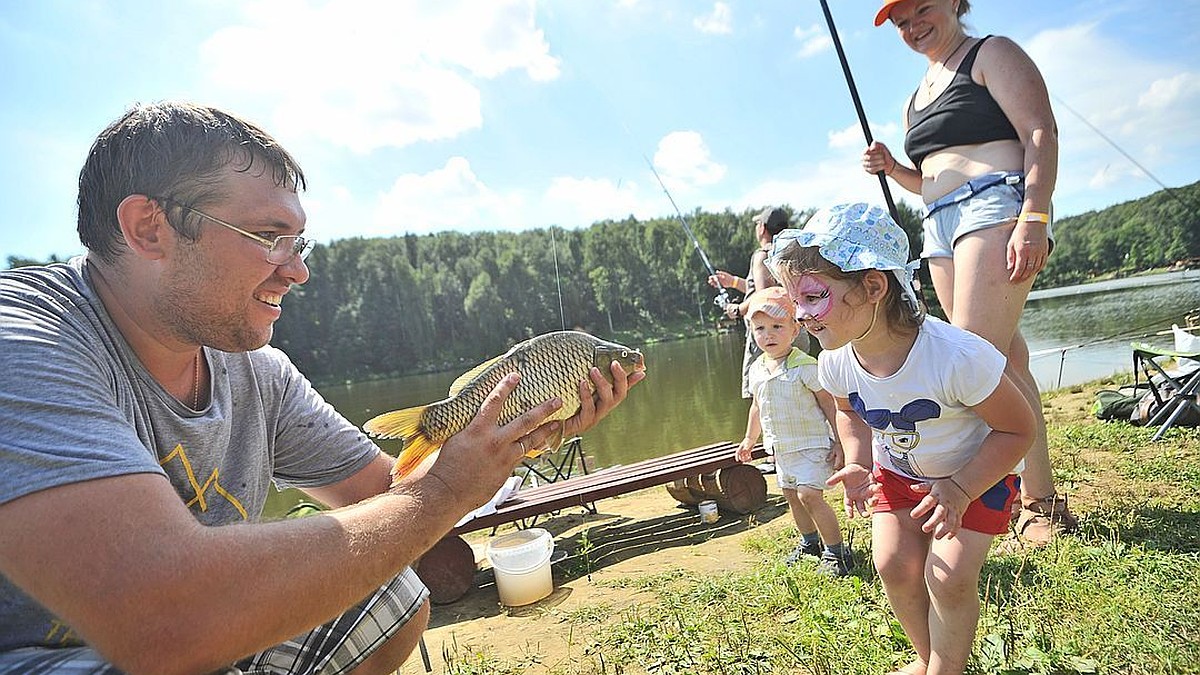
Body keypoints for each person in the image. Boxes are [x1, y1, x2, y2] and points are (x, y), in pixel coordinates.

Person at [0, 101, 644, 674]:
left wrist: (509, 436)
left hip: (181, 636)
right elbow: (163, 621)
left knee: (388, 599)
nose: (299, 270)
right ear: (149, 228)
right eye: (270, 238)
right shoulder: (24, 345)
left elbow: (389, 496)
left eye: (298, 241)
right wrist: (446, 491)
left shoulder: (255, 370)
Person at [768, 203, 1035, 674]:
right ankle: (927, 656)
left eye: (813, 297)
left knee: (947, 576)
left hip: (975, 476)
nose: (803, 316)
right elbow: (849, 411)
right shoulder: (836, 361)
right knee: (892, 564)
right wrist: (858, 458)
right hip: (897, 475)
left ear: (873, 286)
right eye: (797, 303)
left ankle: (946, 669)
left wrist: (960, 488)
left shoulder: (955, 357)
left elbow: (1019, 428)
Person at [862, 0, 1077, 545]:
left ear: (956, 3)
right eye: (901, 22)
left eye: (923, 10)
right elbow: (930, 177)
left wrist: (1035, 213)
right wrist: (896, 170)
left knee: (970, 358)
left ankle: (990, 500)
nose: (913, 27)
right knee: (1004, 359)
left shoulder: (990, 52)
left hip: (995, 204)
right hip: (937, 224)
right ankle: (1042, 499)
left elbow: (1039, 131)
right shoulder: (916, 98)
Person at [733, 287, 852, 576]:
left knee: (810, 495)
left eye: (777, 327)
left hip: (811, 444)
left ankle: (836, 551)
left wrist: (840, 441)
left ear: (795, 328)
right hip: (781, 447)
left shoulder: (805, 366)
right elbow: (757, 407)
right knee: (791, 494)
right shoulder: (758, 369)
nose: (769, 335)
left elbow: (829, 403)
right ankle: (810, 542)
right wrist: (750, 438)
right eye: (760, 329)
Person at [707, 206, 796, 400]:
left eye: (757, 224)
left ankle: (760, 431)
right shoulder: (789, 253)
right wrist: (733, 282)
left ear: (762, 228)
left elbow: (766, 297)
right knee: (794, 388)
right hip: (791, 330)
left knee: (761, 393)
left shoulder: (762, 255)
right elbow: (776, 291)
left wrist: (737, 310)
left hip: (768, 334)